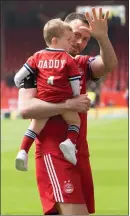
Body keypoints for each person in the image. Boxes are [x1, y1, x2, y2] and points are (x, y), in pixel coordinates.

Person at [16, 8, 118, 215]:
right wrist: (67, 105)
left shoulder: (81, 63)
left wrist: (102, 37)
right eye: (75, 35)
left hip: (79, 152)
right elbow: (26, 109)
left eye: (85, 39)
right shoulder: (39, 63)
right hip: (54, 153)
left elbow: (109, 65)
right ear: (62, 31)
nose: (78, 42)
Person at [14, 19, 81, 171]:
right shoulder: (67, 59)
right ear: (55, 40)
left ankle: (23, 152)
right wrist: (75, 96)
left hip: (43, 100)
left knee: (34, 127)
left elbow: (20, 76)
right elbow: (75, 81)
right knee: (75, 122)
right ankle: (70, 143)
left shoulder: (37, 56)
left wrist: (19, 83)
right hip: (63, 99)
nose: (70, 43)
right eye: (68, 40)